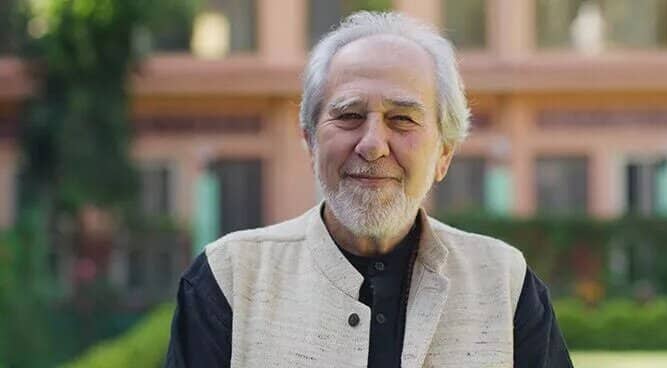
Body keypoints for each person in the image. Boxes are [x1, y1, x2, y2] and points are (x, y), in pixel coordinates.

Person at [165, 11, 573, 368]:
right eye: (349, 115)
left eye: (402, 119)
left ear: (444, 153)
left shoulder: (505, 284)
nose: (373, 144)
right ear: (310, 141)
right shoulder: (228, 278)